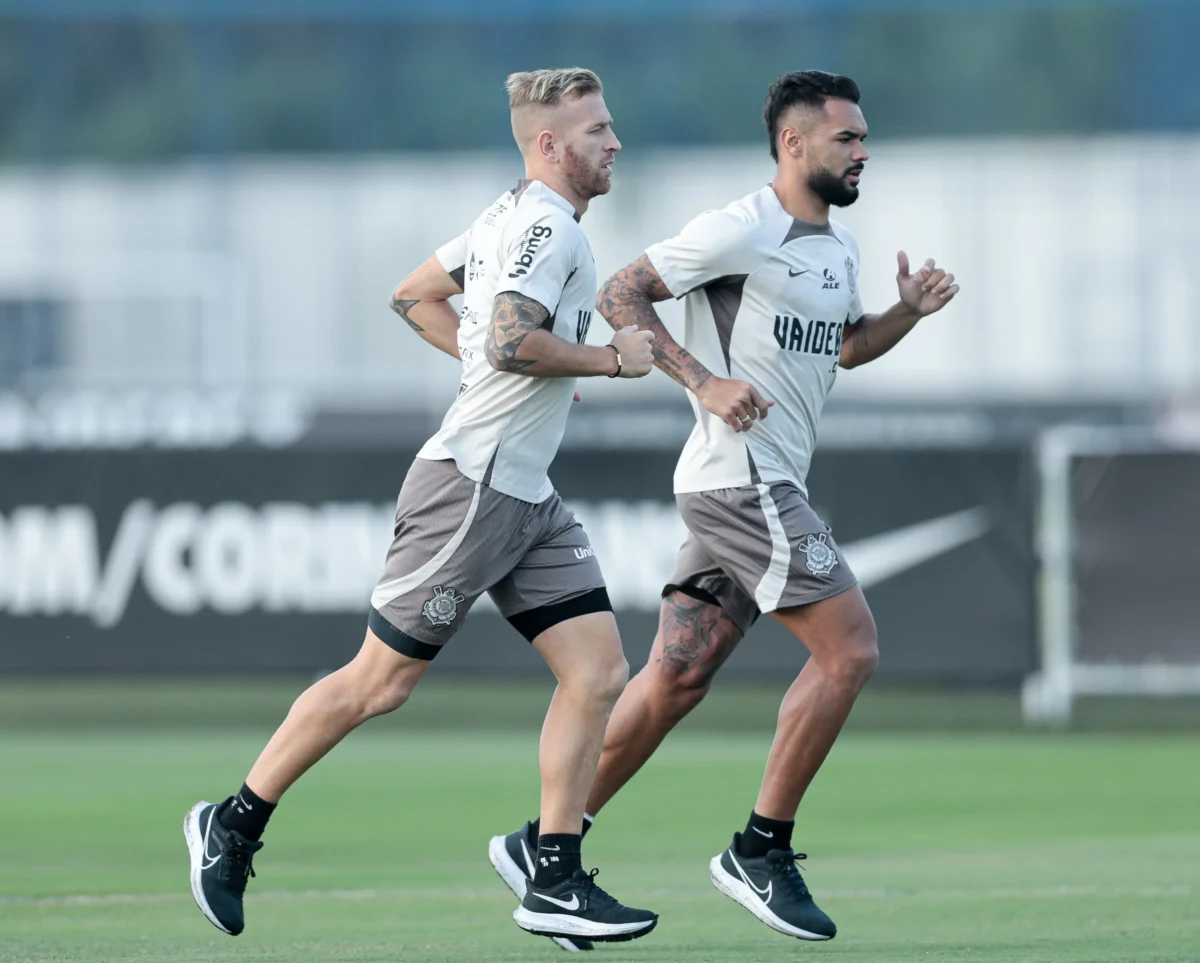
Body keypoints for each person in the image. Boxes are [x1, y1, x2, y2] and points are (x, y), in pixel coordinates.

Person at [183, 66, 661, 948]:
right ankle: (233, 821)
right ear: (550, 145)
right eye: (597, 130)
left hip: (527, 493)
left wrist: (524, 366)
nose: (614, 142)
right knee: (381, 682)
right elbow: (513, 339)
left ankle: (551, 872)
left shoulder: (506, 214)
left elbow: (415, 295)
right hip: (472, 489)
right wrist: (606, 359)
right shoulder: (545, 225)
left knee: (596, 673)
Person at [490, 69, 959, 946]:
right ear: (793, 143)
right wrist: (704, 381)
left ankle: (545, 843)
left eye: (864, 138)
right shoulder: (742, 227)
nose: (863, 152)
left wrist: (907, 311)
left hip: (756, 484)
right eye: (846, 138)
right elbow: (620, 293)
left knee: (675, 677)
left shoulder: (836, 247)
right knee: (850, 648)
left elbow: (848, 350)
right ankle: (760, 848)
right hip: (743, 482)